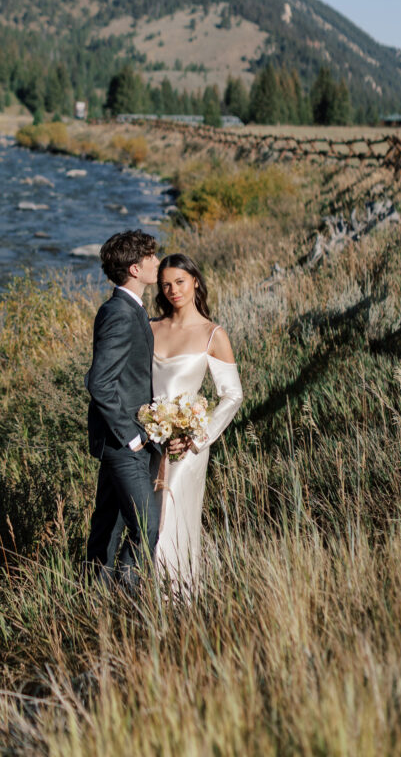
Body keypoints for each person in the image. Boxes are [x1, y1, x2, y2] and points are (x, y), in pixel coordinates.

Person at [150, 253, 243, 591]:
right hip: (148, 444)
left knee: (174, 525)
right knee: (145, 523)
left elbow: (232, 395)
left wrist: (194, 436)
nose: (173, 289)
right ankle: (140, 602)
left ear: (195, 282)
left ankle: (177, 605)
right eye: (166, 285)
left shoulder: (212, 334)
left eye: (180, 281)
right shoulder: (149, 328)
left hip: (186, 451)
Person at [85, 229, 161, 589]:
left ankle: (93, 597)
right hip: (124, 442)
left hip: (129, 439)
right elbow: (99, 382)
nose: (157, 263)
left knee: (108, 525)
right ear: (135, 268)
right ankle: (129, 594)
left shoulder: (131, 309)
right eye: (151, 257)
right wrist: (132, 436)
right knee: (146, 525)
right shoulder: (119, 312)